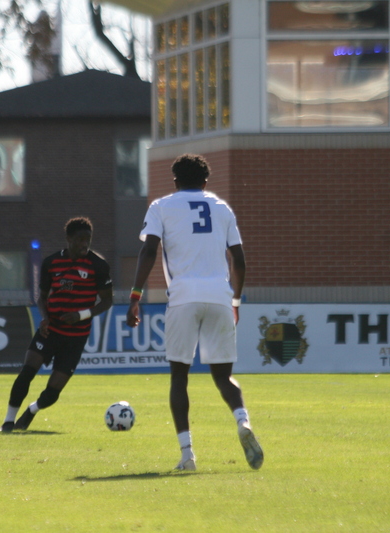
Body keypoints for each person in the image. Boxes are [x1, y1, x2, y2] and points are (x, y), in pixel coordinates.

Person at [126, 153, 264, 471]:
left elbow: (149, 249)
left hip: (184, 297)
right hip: (219, 296)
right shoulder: (221, 207)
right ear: (205, 182)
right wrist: (236, 302)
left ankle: (188, 455)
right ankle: (242, 421)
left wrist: (135, 296)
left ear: (175, 181)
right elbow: (239, 261)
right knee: (223, 376)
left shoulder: (161, 207)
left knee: (179, 376)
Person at [0, 217, 113, 433]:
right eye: (80, 239)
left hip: (76, 337)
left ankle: (32, 410)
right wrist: (44, 318)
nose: (84, 244)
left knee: (52, 393)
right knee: (26, 373)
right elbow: (42, 297)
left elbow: (108, 301)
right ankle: (7, 421)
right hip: (50, 331)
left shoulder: (98, 265)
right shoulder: (52, 263)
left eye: (87, 239)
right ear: (69, 239)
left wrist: (81, 315)